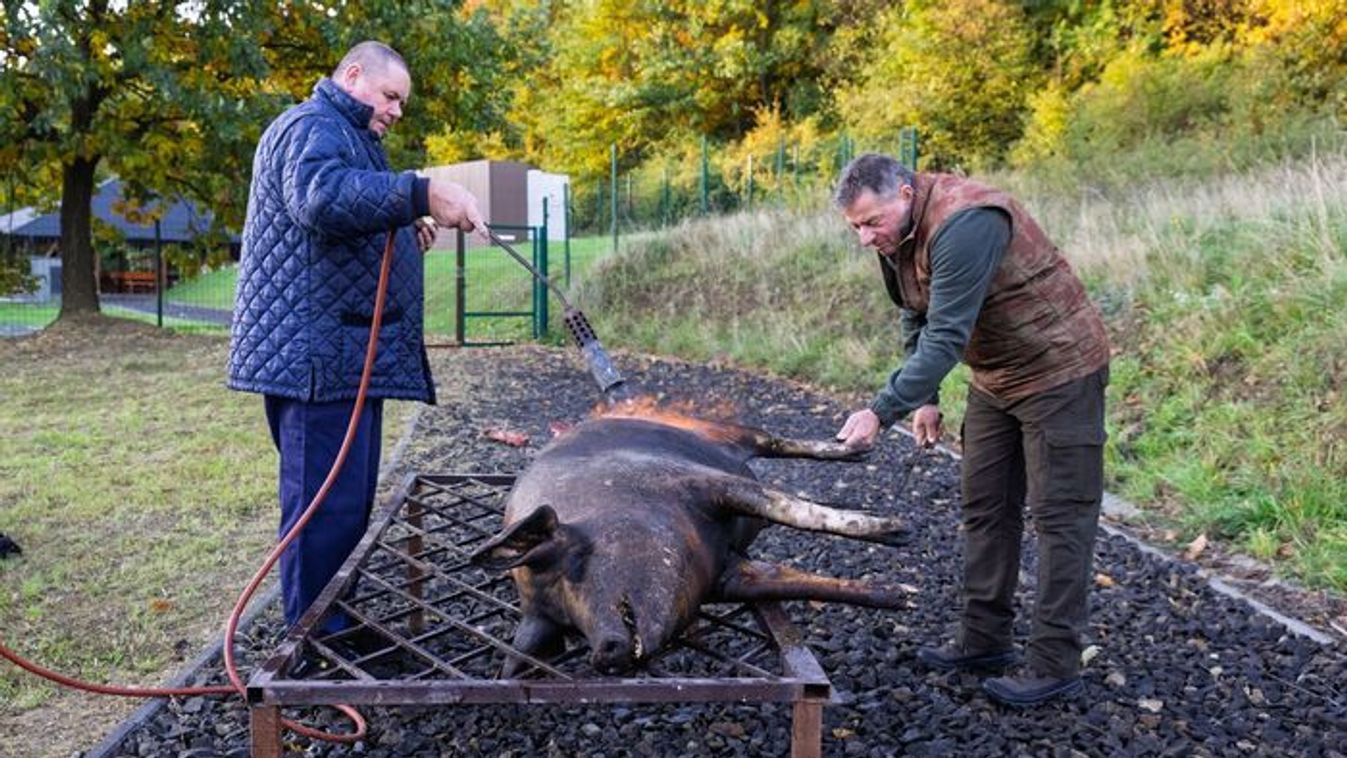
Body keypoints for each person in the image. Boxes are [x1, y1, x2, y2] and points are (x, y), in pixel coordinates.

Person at [832, 154, 1110, 707]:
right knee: (984, 505)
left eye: (870, 222)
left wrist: (880, 410)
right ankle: (984, 640)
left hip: (1058, 369)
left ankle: (1055, 662)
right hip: (996, 377)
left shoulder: (968, 223)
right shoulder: (898, 236)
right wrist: (926, 400)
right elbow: (917, 314)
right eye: (855, 228)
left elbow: (946, 337)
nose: (865, 238)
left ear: (906, 193)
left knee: (1060, 518)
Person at [228, 41, 485, 637]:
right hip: (317, 360)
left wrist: (400, 220)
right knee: (323, 510)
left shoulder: (349, 139)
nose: (397, 110)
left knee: (345, 508)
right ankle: (313, 642)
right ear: (351, 75)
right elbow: (320, 198)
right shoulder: (311, 126)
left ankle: (331, 622)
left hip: (342, 357)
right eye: (390, 95)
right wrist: (420, 193)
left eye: (402, 102)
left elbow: (346, 213)